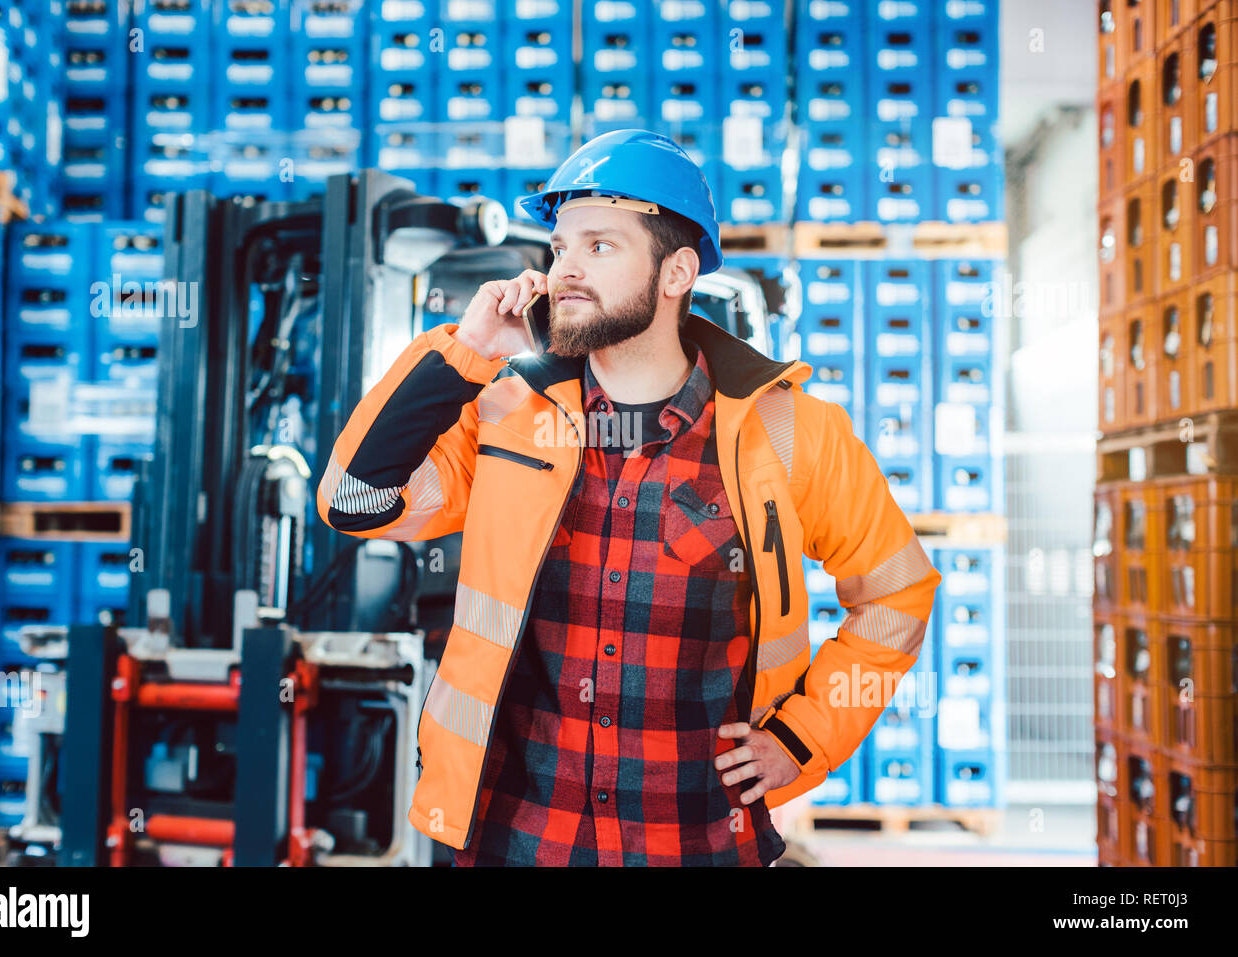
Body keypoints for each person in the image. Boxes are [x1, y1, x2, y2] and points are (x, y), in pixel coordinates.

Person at [317, 129, 941, 866]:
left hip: (698, 841)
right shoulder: (505, 412)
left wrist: (802, 737)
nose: (566, 270)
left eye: (600, 247)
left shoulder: (789, 430)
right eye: (560, 248)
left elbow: (898, 592)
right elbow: (354, 499)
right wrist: (464, 353)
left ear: (675, 272)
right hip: (516, 839)